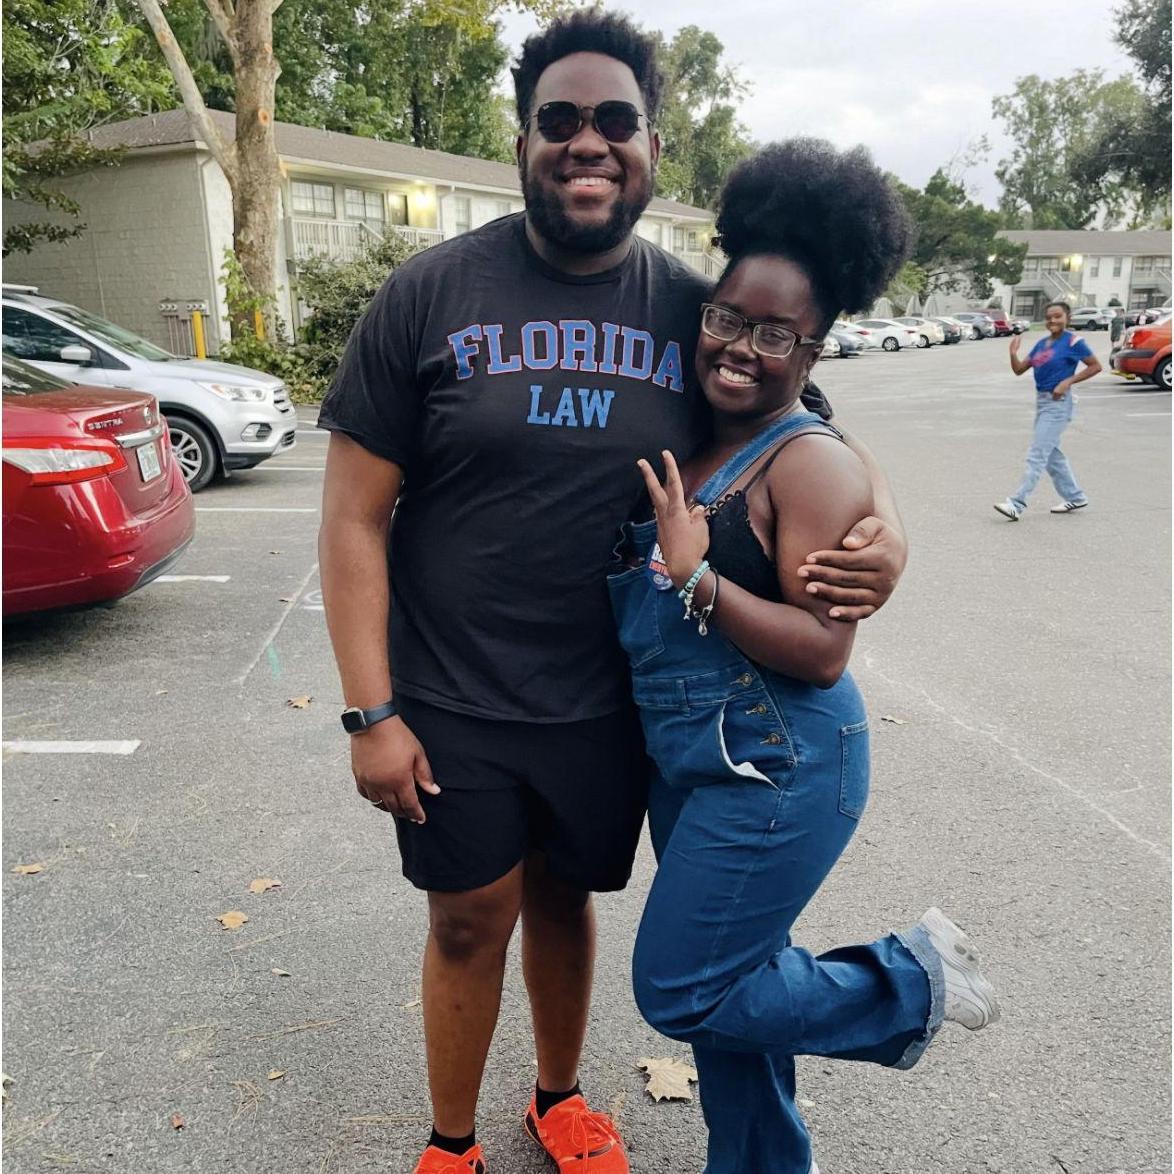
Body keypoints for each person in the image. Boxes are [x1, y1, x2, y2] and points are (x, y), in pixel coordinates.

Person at [316, 14, 909, 1173]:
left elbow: (812, 430)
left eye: (615, 121)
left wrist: (892, 541)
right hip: (454, 696)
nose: (587, 142)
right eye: (560, 120)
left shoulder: (694, 307)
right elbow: (348, 515)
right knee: (464, 916)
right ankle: (448, 1142)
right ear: (525, 138)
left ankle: (558, 1097)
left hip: (616, 706)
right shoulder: (430, 294)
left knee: (564, 902)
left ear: (649, 143)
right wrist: (369, 711)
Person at [610, 140, 1000, 1174]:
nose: (740, 346)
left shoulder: (809, 459)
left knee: (682, 987)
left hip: (779, 764)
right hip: (693, 757)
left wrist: (697, 578)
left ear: (813, 347)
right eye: (728, 319)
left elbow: (825, 652)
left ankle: (910, 981)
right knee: (735, 986)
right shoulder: (700, 422)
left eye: (774, 333)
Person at [996, 300, 1102, 520]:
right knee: (1051, 454)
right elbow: (1019, 370)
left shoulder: (1074, 342)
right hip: (1043, 402)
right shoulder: (1042, 344)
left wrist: (1068, 382)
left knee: (1037, 454)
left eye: (1058, 316)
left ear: (1067, 318)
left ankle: (1016, 503)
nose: (1053, 320)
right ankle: (1076, 496)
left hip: (1058, 404)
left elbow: (1095, 366)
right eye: (1049, 317)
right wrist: (1013, 353)